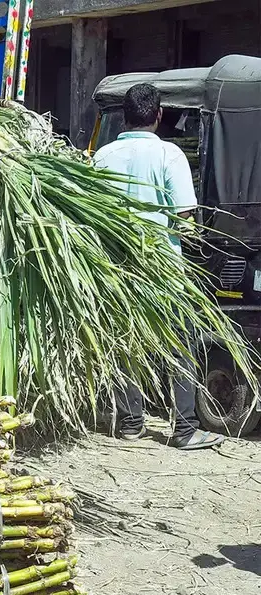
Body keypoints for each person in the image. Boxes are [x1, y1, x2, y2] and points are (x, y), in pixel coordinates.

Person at [94, 82, 223, 450]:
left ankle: (131, 422)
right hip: (163, 270)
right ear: (159, 115)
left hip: (116, 269)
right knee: (178, 344)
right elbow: (184, 213)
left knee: (125, 342)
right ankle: (184, 429)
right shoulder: (169, 156)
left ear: (125, 115)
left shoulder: (102, 157)